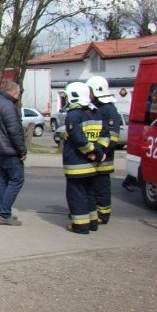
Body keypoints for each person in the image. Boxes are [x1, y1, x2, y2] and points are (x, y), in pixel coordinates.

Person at [61, 81, 104, 234]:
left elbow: (78, 138)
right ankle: (92, 222)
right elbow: (103, 135)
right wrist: (98, 152)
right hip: (92, 165)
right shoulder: (95, 112)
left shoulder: (73, 115)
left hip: (77, 164)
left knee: (76, 195)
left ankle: (80, 225)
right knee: (89, 194)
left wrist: (90, 151)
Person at [0, 80, 27, 226]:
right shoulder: (9, 106)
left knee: (3, 180)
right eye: (17, 93)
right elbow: (14, 131)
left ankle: (2, 211)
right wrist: (22, 150)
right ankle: (5, 213)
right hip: (10, 150)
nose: (18, 96)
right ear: (13, 92)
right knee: (16, 180)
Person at [86, 76, 121, 224]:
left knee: (102, 189)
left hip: (103, 159)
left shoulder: (109, 109)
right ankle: (91, 213)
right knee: (91, 188)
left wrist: (98, 150)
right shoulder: (95, 107)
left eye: (90, 90)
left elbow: (112, 137)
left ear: (96, 90)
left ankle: (103, 214)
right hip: (92, 157)